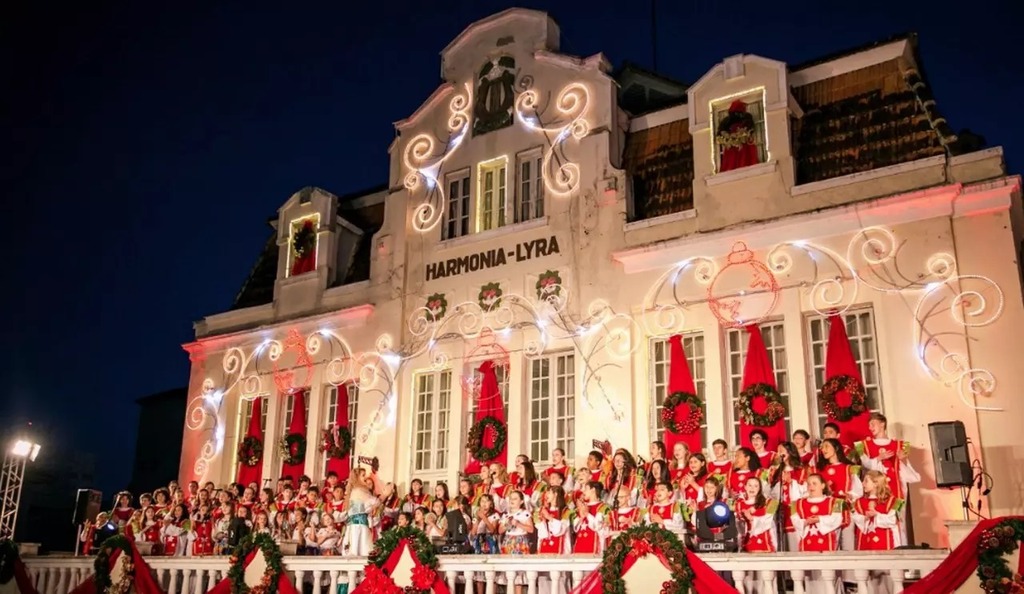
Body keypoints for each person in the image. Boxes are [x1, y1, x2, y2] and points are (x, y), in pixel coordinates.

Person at [856, 413, 920, 542]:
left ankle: (900, 547)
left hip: (897, 490)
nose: (870, 427)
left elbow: (913, 477)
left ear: (882, 424)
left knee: (898, 521)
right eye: (869, 425)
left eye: (873, 424)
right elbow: (866, 466)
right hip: (875, 492)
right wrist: (879, 458)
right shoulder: (862, 445)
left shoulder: (901, 445)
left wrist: (903, 460)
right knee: (874, 519)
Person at [791, 474, 844, 594]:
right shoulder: (796, 504)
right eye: (808, 484)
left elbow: (837, 519)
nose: (811, 486)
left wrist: (819, 519)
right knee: (811, 579)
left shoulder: (836, 502)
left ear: (823, 485)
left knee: (829, 578)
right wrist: (805, 522)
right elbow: (795, 521)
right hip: (807, 545)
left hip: (828, 545)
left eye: (814, 483)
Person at [818, 438, 863, 551]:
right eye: (822, 447)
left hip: (846, 508)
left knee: (848, 542)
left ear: (836, 448)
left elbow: (858, 490)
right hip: (828, 511)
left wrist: (851, 495)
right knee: (831, 544)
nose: (823, 449)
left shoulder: (849, 468)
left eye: (827, 446)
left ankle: (850, 569)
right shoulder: (819, 470)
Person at [769, 441, 808, 552]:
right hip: (780, 511)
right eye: (778, 451)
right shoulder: (775, 472)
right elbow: (771, 492)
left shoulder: (801, 471)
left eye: (782, 450)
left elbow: (806, 491)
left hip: (795, 511)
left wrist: (792, 482)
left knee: (794, 544)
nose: (779, 453)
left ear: (790, 452)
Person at [340, 469, 378, 556]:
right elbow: (376, 502)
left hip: (356, 525)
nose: (366, 477)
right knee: (361, 551)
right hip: (358, 526)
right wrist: (385, 494)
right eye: (363, 475)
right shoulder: (358, 491)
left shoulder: (355, 491)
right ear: (357, 478)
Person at [735, 477, 777, 553]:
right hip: (746, 545)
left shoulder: (772, 502)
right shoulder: (738, 504)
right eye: (750, 485)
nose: (752, 488)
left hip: (765, 544)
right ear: (745, 487)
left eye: (755, 486)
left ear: (760, 488)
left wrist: (751, 518)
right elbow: (738, 528)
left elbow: (769, 522)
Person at [572, 481, 610, 554]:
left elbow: (598, 526)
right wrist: (581, 517)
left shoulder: (603, 507)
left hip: (595, 545)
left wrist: (587, 514)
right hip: (580, 544)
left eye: (586, 489)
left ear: (593, 490)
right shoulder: (582, 506)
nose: (583, 491)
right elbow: (575, 528)